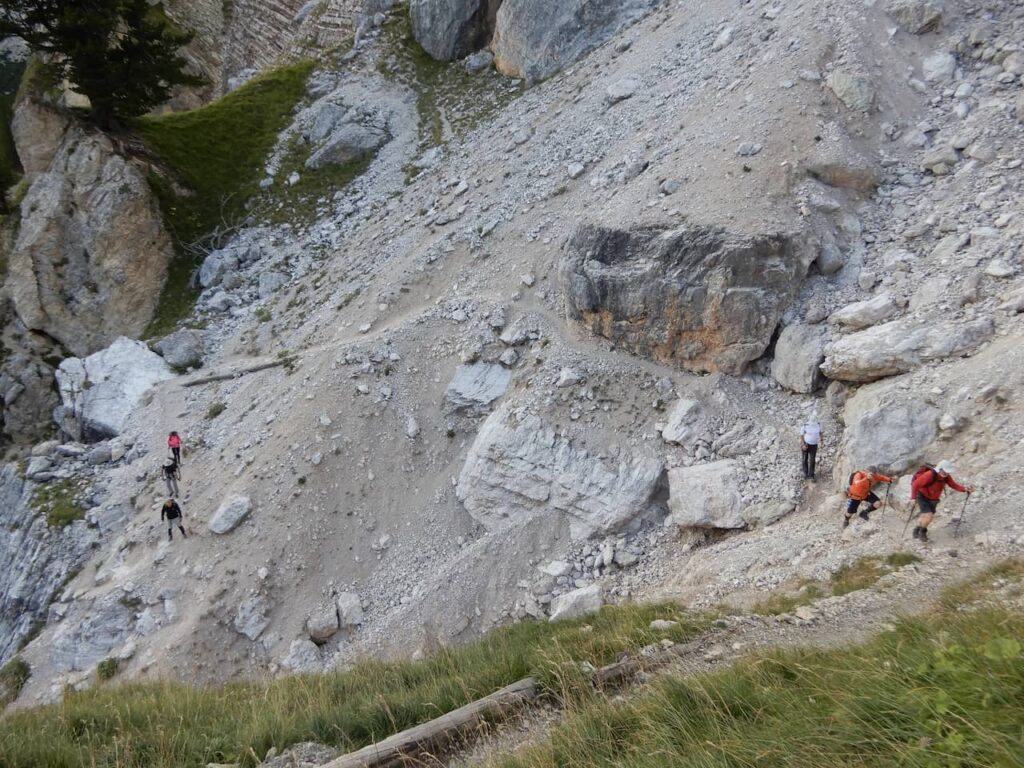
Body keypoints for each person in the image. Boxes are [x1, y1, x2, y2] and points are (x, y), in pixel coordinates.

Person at [909, 460, 973, 541]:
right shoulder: (929, 475)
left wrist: (964, 489)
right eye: (945, 471)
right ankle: (923, 532)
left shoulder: (946, 476)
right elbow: (915, 484)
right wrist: (913, 498)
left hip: (934, 499)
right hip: (922, 496)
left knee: (924, 516)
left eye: (947, 472)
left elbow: (953, 485)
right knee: (929, 516)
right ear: (940, 469)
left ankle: (916, 529)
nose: (946, 474)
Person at [800, 412, 822, 480]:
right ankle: (805, 473)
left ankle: (811, 475)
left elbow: (821, 433)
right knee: (804, 459)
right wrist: (803, 444)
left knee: (812, 460)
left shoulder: (819, 424)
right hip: (806, 443)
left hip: (814, 444)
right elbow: (801, 435)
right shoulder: (805, 425)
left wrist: (821, 440)